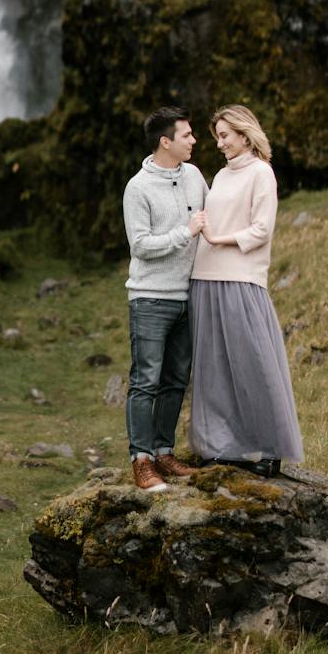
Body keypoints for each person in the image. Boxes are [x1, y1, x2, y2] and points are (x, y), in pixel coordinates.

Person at [189, 104, 303, 476]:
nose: (219, 143)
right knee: (214, 369)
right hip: (205, 278)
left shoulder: (261, 173)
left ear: (243, 133)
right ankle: (221, 447)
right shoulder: (220, 176)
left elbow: (261, 230)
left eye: (224, 136)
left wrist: (219, 239)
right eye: (217, 137)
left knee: (254, 364)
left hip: (241, 279)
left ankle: (272, 448)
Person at [122, 106, 209, 492]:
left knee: (176, 380)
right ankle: (140, 461)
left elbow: (214, 216)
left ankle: (163, 451)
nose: (194, 141)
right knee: (146, 381)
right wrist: (184, 232)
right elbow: (140, 246)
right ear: (165, 142)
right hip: (151, 300)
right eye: (187, 135)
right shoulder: (137, 188)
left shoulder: (194, 176)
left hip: (188, 297)